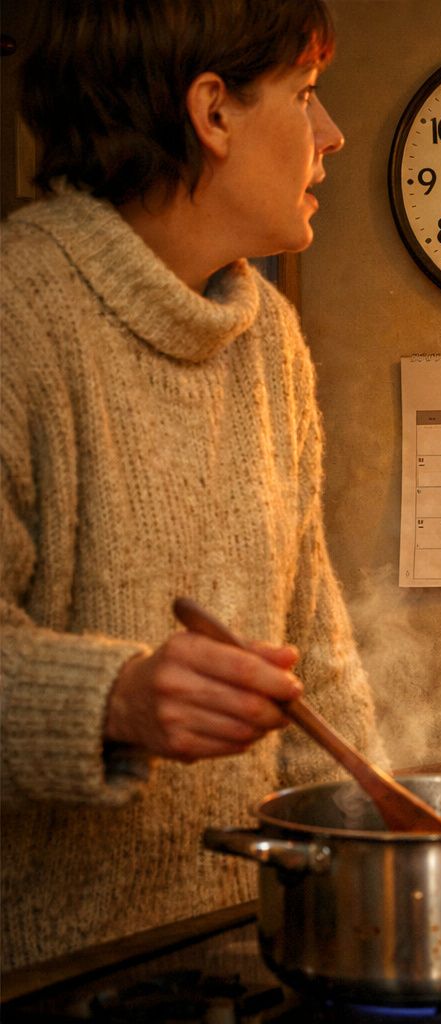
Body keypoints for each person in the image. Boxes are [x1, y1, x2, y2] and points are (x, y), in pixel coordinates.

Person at [0, 0, 379, 970]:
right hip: (51, 972)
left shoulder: (269, 341)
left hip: (250, 953)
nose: (332, 134)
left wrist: (384, 850)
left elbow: (318, 657)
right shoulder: (17, 314)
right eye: (305, 95)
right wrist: (116, 700)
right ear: (212, 112)